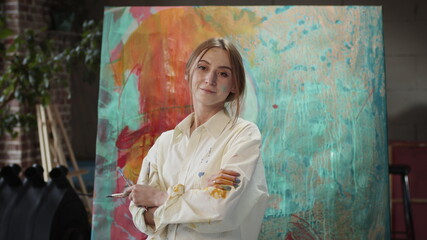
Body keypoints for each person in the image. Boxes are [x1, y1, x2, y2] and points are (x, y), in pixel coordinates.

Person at [126, 37, 269, 240]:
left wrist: (159, 197)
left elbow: (220, 209)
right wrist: (197, 201)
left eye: (223, 73)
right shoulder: (165, 143)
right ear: (189, 73)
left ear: (235, 85)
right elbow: (140, 213)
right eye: (203, 67)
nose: (210, 79)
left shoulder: (244, 135)